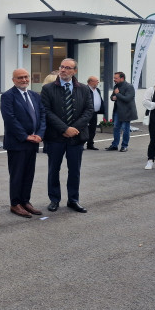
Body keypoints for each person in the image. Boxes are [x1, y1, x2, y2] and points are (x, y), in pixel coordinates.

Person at [41, 58, 93, 213]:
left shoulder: (84, 89)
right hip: (55, 137)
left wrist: (73, 129)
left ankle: (73, 200)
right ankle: (54, 199)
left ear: (74, 71)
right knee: (53, 170)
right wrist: (64, 128)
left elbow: (89, 111)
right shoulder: (48, 89)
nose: (63, 70)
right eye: (62, 67)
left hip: (76, 137)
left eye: (68, 68)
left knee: (74, 171)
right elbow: (47, 111)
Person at [0, 68, 46, 218]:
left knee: (28, 174)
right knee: (17, 174)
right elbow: (10, 119)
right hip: (18, 143)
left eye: (26, 77)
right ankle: (15, 204)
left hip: (33, 142)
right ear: (13, 80)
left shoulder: (34, 95)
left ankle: (25, 201)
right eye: (20, 78)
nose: (24, 80)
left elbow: (42, 115)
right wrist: (25, 136)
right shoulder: (8, 96)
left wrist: (39, 134)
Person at [105, 71, 137, 152]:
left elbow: (128, 98)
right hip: (117, 111)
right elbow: (112, 97)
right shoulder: (116, 86)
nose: (114, 79)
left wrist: (118, 95)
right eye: (114, 78)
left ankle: (124, 146)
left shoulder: (129, 86)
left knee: (125, 129)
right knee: (116, 128)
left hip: (126, 111)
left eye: (116, 78)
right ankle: (114, 145)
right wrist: (113, 97)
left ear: (122, 78)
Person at [86, 76, 105, 150]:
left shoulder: (97, 90)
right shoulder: (85, 89)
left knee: (92, 129)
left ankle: (90, 144)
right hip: (86, 112)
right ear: (90, 82)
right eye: (96, 81)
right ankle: (80, 144)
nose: (98, 82)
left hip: (94, 113)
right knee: (84, 129)